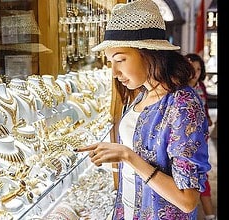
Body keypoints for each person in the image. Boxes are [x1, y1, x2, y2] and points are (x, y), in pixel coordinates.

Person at [73, 0, 211, 219]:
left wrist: (127, 155)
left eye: (120, 59)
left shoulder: (182, 104)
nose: (115, 72)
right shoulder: (142, 94)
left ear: (148, 53)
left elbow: (187, 200)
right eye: (111, 62)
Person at [185, 53, 216, 220]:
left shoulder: (201, 86)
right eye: (191, 68)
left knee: (202, 174)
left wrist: (208, 118)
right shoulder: (181, 89)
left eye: (198, 69)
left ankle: (210, 215)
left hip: (202, 138)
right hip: (188, 140)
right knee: (193, 177)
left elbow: (203, 107)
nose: (195, 73)